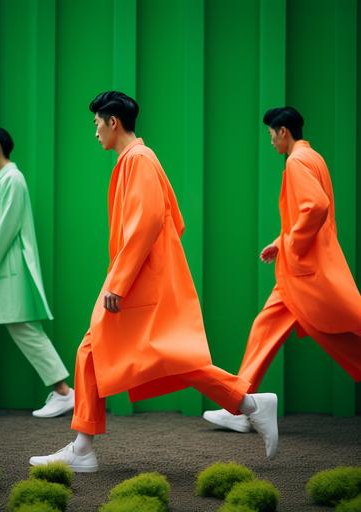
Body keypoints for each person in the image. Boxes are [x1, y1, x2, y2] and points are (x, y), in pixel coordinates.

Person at [29, 91, 279, 472]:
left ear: (113, 121)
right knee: (161, 358)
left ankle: (83, 450)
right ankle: (250, 404)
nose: (95, 131)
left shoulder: (138, 160)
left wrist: (121, 281)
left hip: (135, 282)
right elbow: (174, 220)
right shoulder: (139, 159)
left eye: (97, 123)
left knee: (104, 352)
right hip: (144, 279)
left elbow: (148, 222)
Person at [203, 107, 361, 433]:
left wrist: (291, 246)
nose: (271, 140)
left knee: (345, 336)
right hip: (302, 273)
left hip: (306, 274)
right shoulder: (313, 157)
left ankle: (237, 407)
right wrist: (282, 241)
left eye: (272, 134)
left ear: (283, 131)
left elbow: (316, 207)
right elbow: (308, 212)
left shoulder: (296, 161)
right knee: (266, 329)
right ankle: (238, 406)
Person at [0, 127, 74, 418]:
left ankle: (65, 393)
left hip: (2, 276)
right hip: (2, 278)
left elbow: (6, 227)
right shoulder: (6, 180)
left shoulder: (13, 180)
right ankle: (63, 392)